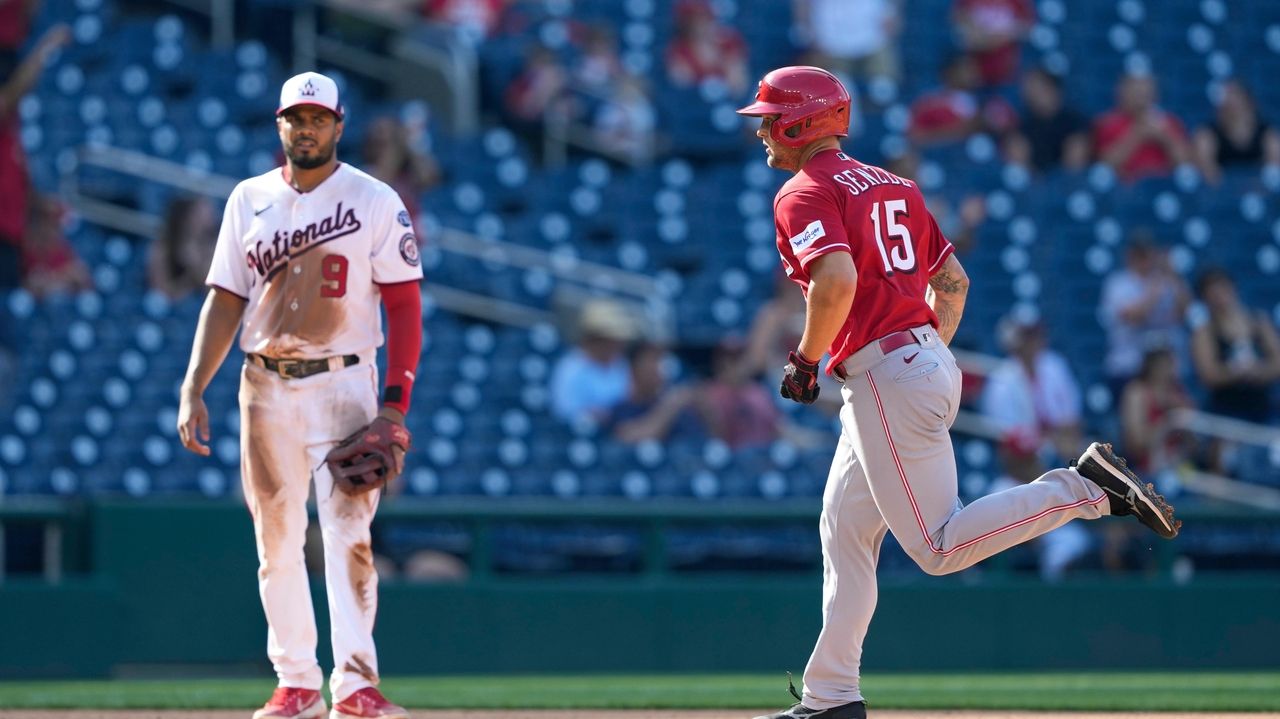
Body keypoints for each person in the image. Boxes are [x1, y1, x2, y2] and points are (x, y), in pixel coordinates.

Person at [736, 65, 1179, 719]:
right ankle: (832, 696)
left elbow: (834, 283)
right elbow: (955, 284)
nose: (763, 130)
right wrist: (925, 356)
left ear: (804, 122)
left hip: (887, 372)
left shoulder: (805, 190)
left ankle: (1086, 489)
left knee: (938, 547)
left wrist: (804, 361)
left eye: (771, 118)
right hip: (916, 359)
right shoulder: (895, 185)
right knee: (845, 530)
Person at [176, 72, 423, 719]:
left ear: (339, 125)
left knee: (350, 536)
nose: (306, 128)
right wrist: (193, 384)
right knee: (277, 543)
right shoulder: (247, 199)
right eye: (295, 117)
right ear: (279, 124)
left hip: (346, 380)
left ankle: (356, 684)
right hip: (263, 385)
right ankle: (295, 682)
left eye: (317, 118)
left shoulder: (373, 198)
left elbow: (404, 304)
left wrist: (394, 400)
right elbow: (225, 297)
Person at [0, 23, 69, 290]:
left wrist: (40, 204)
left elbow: (18, 188)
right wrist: (44, 49)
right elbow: (10, 99)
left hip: (11, 242)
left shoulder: (13, 139)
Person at [1097, 232, 1190, 397]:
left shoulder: (1167, 281)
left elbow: (1185, 312)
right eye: (1140, 254)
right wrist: (1155, 289)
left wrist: (1172, 275)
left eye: (1147, 253)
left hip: (1165, 370)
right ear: (1130, 255)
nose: (1145, 259)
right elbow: (1133, 316)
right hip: (1129, 367)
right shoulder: (1118, 283)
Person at [1190, 268, 1280, 425]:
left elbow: (1277, 361)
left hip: (1263, 406)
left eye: (1223, 289)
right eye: (1213, 293)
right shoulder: (1204, 333)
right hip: (1227, 411)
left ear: (1233, 288)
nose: (1219, 297)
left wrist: (1259, 371)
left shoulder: (1259, 321)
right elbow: (1209, 375)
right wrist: (1236, 372)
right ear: (1205, 299)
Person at [548, 298, 636, 426]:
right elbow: (564, 412)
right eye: (611, 339)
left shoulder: (621, 364)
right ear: (595, 339)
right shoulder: (571, 368)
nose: (617, 345)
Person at [1093, 72, 1191, 183]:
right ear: (1122, 93)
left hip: (1164, 186)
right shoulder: (1107, 123)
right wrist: (1137, 135)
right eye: (1136, 91)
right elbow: (1105, 165)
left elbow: (1185, 163)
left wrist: (1164, 137)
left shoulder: (1169, 122)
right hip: (1125, 189)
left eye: (1145, 92)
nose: (1141, 97)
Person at [906, 53, 1017, 147]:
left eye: (973, 69)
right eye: (966, 69)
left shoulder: (986, 102)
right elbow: (915, 136)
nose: (971, 74)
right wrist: (961, 129)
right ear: (952, 72)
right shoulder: (932, 100)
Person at [791, 0, 901, 85]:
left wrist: (892, 12)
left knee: (884, 88)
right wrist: (807, 29)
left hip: (874, 38)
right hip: (830, 42)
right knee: (834, 91)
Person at [361, 115, 441, 233]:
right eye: (381, 143)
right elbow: (382, 179)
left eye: (390, 142)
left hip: (412, 240)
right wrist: (397, 146)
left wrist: (412, 144)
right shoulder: (362, 173)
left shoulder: (407, 174)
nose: (385, 150)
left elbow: (429, 178)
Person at [1003, 67, 1091, 172]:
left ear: (1052, 89)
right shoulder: (1022, 124)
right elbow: (1018, 164)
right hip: (1033, 181)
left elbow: (1075, 164)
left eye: (1038, 87)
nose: (1031, 92)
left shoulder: (1074, 121)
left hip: (1065, 182)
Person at [1193, 79, 1280, 185]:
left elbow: (1273, 174)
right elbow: (1207, 176)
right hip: (1221, 196)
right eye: (1225, 97)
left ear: (1247, 101)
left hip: (1258, 192)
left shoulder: (1268, 135)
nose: (1228, 100)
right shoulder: (1206, 135)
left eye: (1233, 95)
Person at [665, 0, 750, 95]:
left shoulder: (728, 43)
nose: (700, 25)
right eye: (693, 21)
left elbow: (739, 87)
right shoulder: (679, 50)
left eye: (703, 18)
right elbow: (682, 87)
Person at [21, 193, 92, 299]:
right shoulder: (25, 247)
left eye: (54, 223)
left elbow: (84, 281)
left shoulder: (62, 248)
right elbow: (28, 287)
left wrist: (55, 278)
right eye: (45, 220)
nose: (50, 228)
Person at [148, 196, 218, 301]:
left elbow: (215, 294)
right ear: (186, 217)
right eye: (198, 216)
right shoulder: (163, 247)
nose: (207, 220)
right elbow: (161, 293)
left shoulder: (214, 248)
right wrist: (190, 275)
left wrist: (201, 267)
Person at [950, 0, 1034, 87]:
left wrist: (988, 40)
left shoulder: (1018, 3)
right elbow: (958, 19)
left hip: (1000, 64)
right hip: (971, 60)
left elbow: (1026, 29)